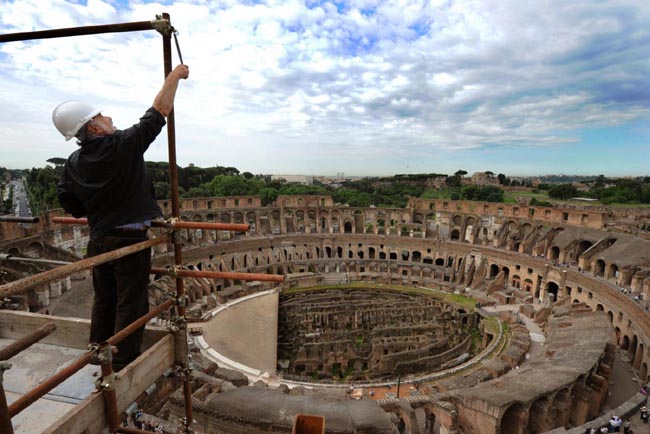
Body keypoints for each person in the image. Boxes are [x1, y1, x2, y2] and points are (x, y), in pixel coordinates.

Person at [54, 64, 189, 371]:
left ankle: (98, 351)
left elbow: (70, 203)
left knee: (105, 299)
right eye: (102, 116)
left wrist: (102, 205)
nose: (110, 118)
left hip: (99, 239)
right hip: (128, 238)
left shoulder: (73, 162)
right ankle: (123, 362)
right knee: (132, 301)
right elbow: (159, 112)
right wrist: (174, 76)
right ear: (93, 128)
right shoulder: (122, 146)